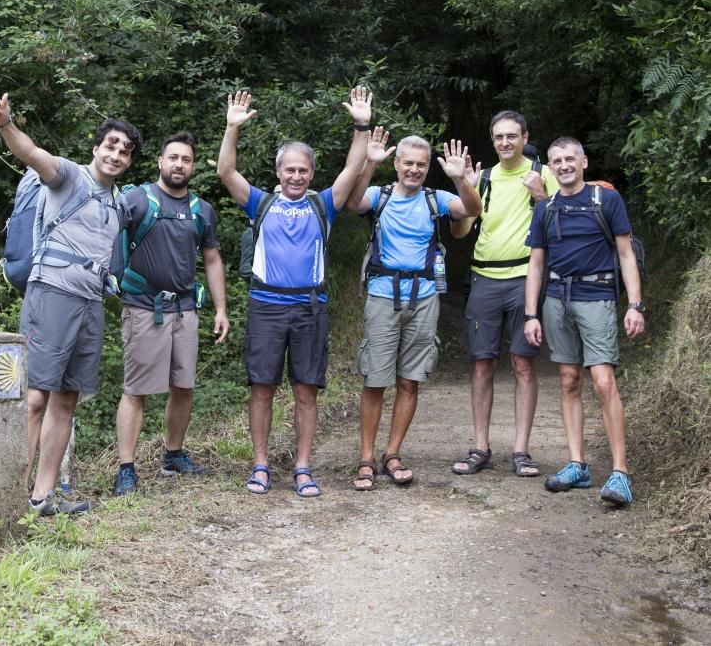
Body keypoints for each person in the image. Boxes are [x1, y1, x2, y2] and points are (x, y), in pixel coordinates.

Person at [0, 93, 142, 514]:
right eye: (111, 145)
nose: (117, 154)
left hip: (90, 303)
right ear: (96, 148)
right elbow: (31, 153)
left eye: (125, 150)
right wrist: (5, 124)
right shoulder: (69, 176)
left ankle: (41, 497)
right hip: (51, 293)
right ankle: (10, 498)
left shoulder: (118, 201)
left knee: (67, 399)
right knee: (36, 397)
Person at [216, 86, 372, 497]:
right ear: (279, 172)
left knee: (306, 390)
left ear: (311, 173)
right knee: (262, 387)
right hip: (265, 306)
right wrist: (232, 129)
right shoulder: (260, 203)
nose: (297, 176)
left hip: (310, 308)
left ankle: (303, 467)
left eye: (303, 170)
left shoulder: (324, 205)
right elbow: (226, 173)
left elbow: (354, 169)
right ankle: (261, 465)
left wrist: (361, 124)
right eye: (290, 170)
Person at [346, 131, 481, 489]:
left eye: (421, 164)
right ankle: (365, 458)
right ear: (397, 164)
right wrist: (368, 164)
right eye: (408, 163)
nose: (415, 170)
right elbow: (352, 202)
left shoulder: (436, 199)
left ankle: (392, 453)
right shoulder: (381, 195)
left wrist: (460, 179)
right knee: (375, 379)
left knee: (410, 380)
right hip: (381, 294)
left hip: (424, 297)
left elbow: (471, 210)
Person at [524, 137, 644, 505]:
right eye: (557, 160)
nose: (563, 165)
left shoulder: (606, 200)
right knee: (568, 378)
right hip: (557, 301)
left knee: (603, 381)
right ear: (551, 167)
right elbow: (536, 264)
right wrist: (531, 314)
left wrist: (635, 305)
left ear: (584, 162)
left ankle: (620, 473)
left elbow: (625, 254)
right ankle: (578, 464)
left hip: (597, 298)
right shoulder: (545, 209)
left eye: (570, 159)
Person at [113, 132, 229, 495]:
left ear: (193, 166)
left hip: (185, 310)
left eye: (187, 159)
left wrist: (221, 308)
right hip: (144, 308)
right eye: (173, 157)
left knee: (184, 386)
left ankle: (173, 454)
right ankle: (126, 468)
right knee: (136, 391)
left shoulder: (201, 210)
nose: (179, 164)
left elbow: (211, 259)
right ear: (160, 161)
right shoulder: (136, 200)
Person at [451, 111, 558, 477]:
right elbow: (461, 232)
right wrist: (464, 189)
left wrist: (541, 196)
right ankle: (480, 447)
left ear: (525, 137)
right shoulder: (483, 178)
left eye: (512, 136)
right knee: (482, 364)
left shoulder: (544, 174)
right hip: (484, 278)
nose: (505, 143)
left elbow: (562, 226)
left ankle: (521, 451)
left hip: (526, 277)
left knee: (523, 364)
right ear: (492, 139)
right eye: (499, 137)